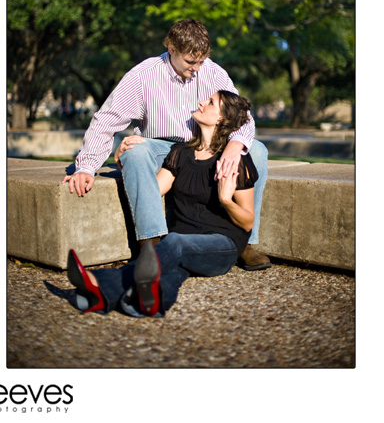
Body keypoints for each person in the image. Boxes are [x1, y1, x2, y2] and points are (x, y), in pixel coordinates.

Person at [62, 19, 270, 270]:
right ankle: (150, 243)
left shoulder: (212, 72)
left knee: (256, 149)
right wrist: (86, 167)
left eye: (201, 61)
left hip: (206, 146)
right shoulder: (143, 75)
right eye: (190, 62)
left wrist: (235, 145)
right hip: (161, 149)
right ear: (171, 49)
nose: (196, 68)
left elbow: (243, 117)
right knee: (134, 152)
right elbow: (107, 119)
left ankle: (246, 243)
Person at [68, 90, 258, 318]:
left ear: (221, 118)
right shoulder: (181, 153)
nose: (201, 102)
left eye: (210, 102)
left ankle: (98, 282)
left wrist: (226, 200)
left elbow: (247, 222)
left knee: (174, 242)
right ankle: (148, 302)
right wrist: (121, 161)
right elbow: (153, 190)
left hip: (221, 246)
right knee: (171, 273)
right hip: (179, 247)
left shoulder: (234, 162)